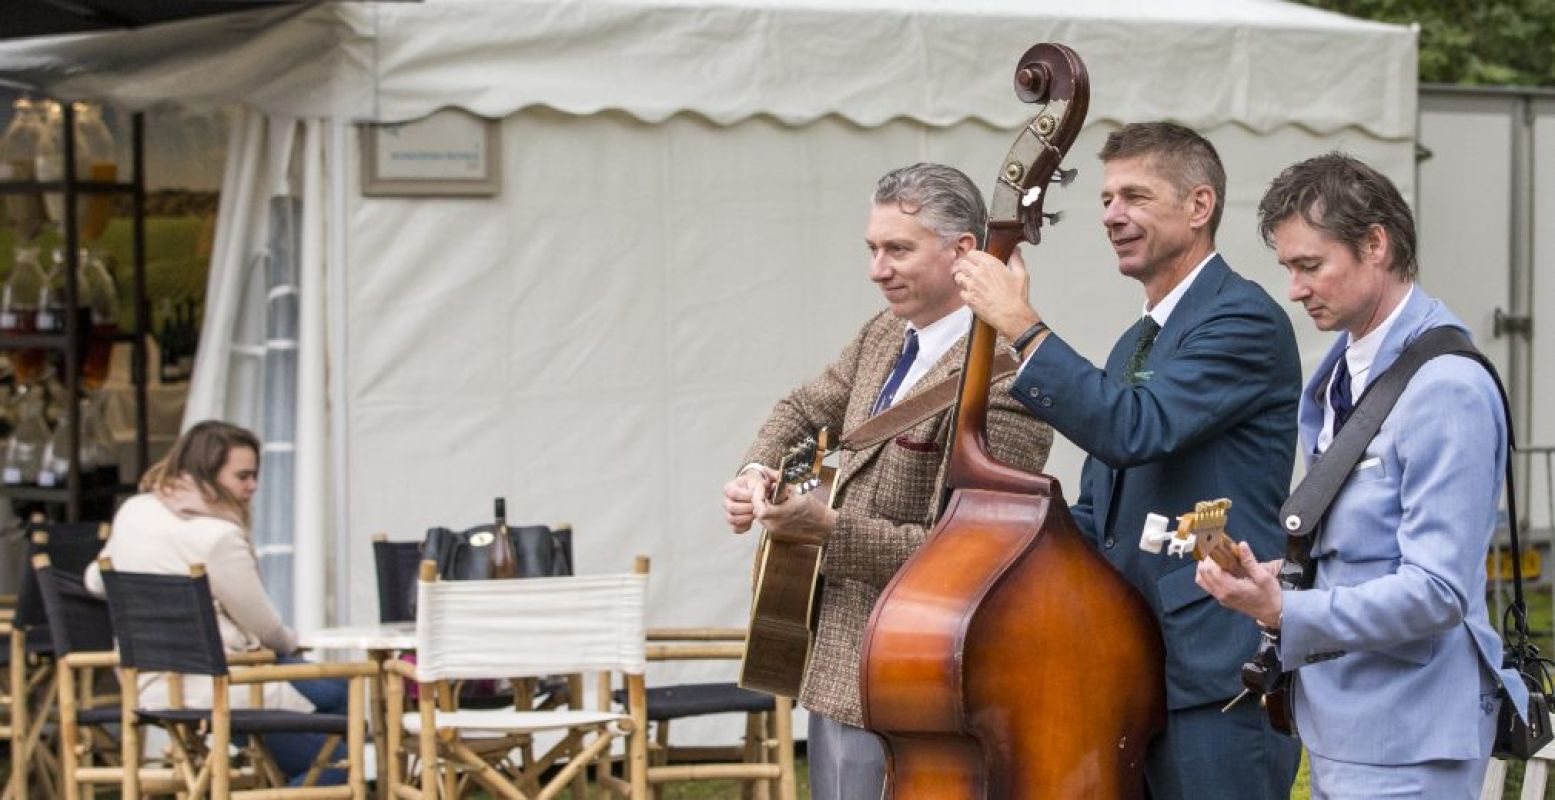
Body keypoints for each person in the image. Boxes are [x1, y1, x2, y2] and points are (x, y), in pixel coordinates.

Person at [951, 121, 1302, 800]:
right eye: (1106, 199)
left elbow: (1133, 429)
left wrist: (1021, 325)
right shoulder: (1130, 344)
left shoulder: (1242, 320)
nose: (1111, 216)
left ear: (1198, 207)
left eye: (1134, 197)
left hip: (1214, 676)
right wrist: (995, 545)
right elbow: (1099, 513)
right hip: (1125, 666)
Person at [1196, 152, 1529, 798]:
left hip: (1409, 736)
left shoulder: (1446, 388)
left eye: (1309, 265)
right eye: (1287, 267)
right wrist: (1280, 579)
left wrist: (1289, 609)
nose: (1293, 288)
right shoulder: (1344, 368)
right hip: (1344, 727)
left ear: (1375, 244)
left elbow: (1437, 591)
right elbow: (1361, 549)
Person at [722, 162, 1053, 800]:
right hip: (837, 660)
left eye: (898, 249)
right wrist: (753, 472)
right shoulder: (883, 333)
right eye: (873, 249)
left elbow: (971, 556)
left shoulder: (1011, 379)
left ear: (963, 251)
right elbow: (801, 409)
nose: (878, 269)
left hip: (915, 675)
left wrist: (829, 531)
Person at [85, 420, 348, 786]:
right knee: (343, 737)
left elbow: (96, 580)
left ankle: (284, 770)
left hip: (147, 684)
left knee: (329, 717)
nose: (253, 486)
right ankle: (317, 771)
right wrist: (295, 643)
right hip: (220, 686)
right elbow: (267, 629)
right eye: (243, 476)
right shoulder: (218, 536)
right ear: (207, 474)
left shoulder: (137, 511)